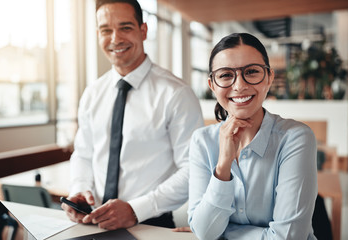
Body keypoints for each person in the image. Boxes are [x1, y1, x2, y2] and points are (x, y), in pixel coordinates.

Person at [61, 0, 203, 231]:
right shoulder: (92, 93)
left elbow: (193, 169)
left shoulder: (176, 94)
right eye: (106, 30)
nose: (115, 39)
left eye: (125, 27)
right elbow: (84, 154)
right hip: (93, 222)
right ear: (98, 35)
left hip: (150, 224)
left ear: (143, 30)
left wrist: (136, 209)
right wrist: (79, 189)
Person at [188, 33, 318, 240]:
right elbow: (205, 232)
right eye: (225, 75)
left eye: (251, 72)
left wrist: (225, 233)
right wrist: (223, 166)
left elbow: (288, 237)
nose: (239, 85)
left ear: (269, 78)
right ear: (212, 85)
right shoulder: (202, 141)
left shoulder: (295, 138)